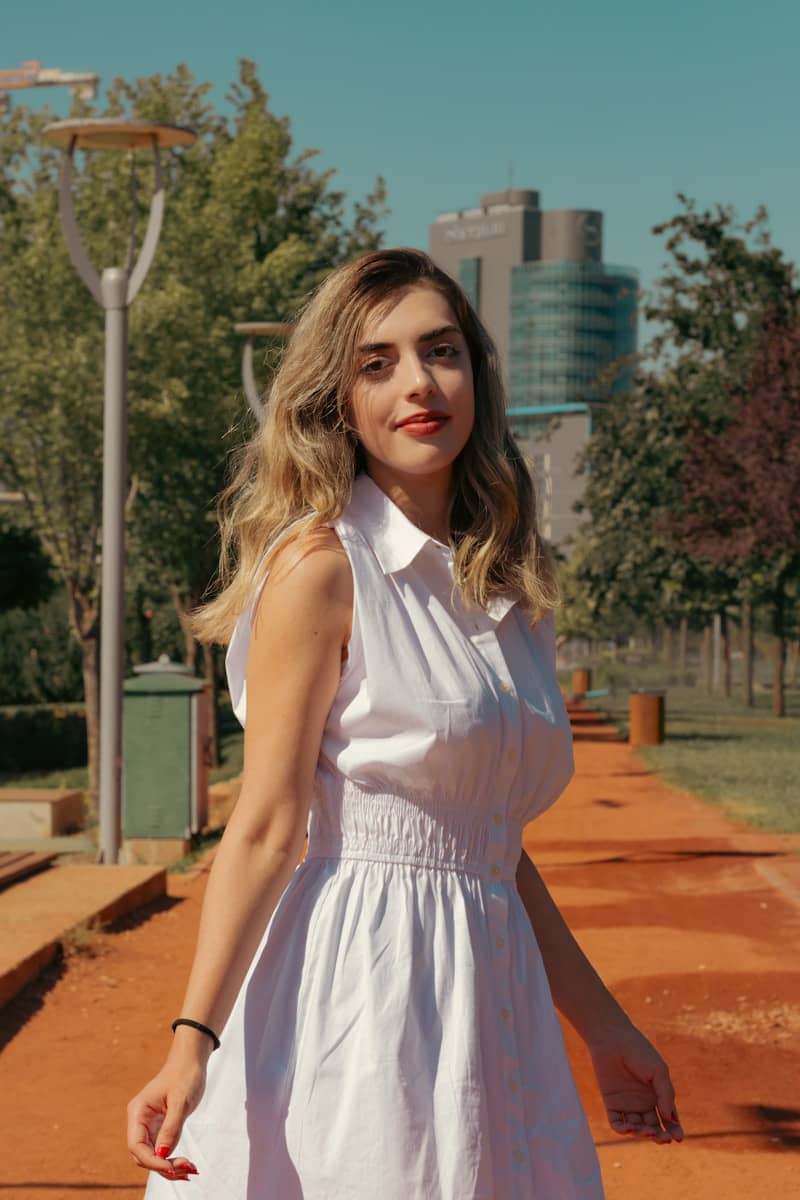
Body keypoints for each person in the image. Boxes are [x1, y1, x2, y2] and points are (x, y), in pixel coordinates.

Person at [127, 248, 683, 1198]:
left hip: (489, 995)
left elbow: (488, 842)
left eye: (442, 351)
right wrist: (190, 1045)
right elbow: (265, 828)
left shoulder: (507, 589)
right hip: (363, 989)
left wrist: (603, 1026)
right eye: (375, 363)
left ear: (478, 374)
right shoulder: (322, 567)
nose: (419, 384)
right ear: (336, 398)